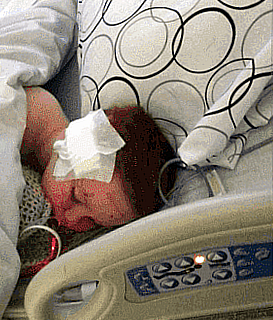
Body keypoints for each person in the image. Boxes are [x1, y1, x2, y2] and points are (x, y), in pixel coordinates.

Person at [21, 86, 176, 233]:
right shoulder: (27, 109)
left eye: (92, 221)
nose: (70, 219)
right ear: (80, 141)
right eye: (75, 196)